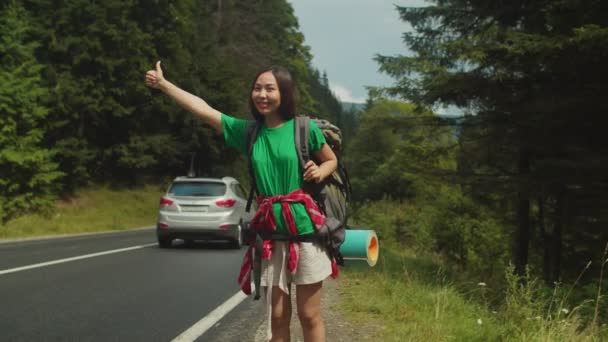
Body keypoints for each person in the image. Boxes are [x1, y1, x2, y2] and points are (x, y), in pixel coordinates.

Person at [145, 61, 338, 342]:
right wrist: (164, 85)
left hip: (307, 232)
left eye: (269, 88)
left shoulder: (303, 128)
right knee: (278, 317)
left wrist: (319, 170)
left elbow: (331, 160)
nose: (262, 94)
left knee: (309, 316)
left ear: (284, 92)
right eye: (257, 88)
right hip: (272, 234)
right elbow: (204, 110)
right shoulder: (249, 132)